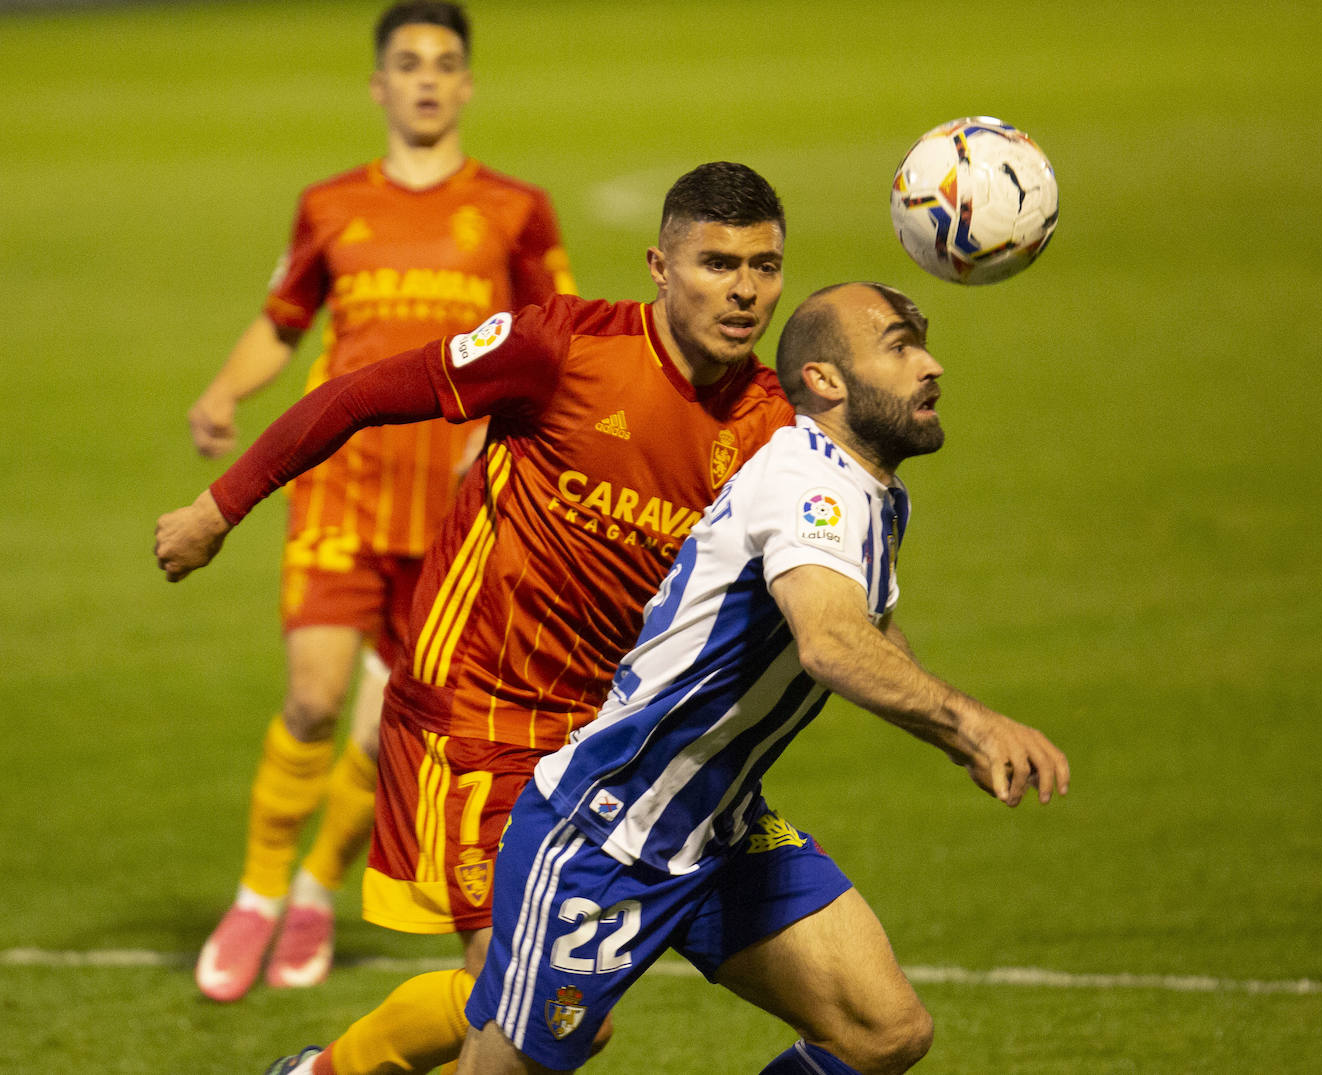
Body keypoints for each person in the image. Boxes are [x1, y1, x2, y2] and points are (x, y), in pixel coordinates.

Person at [156, 161, 796, 1072]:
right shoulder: (562, 348)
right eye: (717, 263)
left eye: (763, 267)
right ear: (660, 264)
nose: (743, 290)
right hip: (473, 719)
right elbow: (361, 393)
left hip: (599, 743)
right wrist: (219, 509)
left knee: (546, 1017)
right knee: (540, 1009)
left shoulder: (768, 425)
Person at [448, 281, 1072, 1074]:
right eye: (900, 345)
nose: (931, 365)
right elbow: (832, 643)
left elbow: (868, 623)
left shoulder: (871, 493)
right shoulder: (808, 485)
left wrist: (953, 742)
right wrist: (972, 721)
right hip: (609, 834)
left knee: (883, 1031)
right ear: (826, 380)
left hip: (722, 829)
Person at [188, 0, 577, 1004]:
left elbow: (551, 343)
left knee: (379, 733)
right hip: (342, 493)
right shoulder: (327, 206)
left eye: (445, 63)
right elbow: (285, 321)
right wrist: (228, 392)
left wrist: (504, 441)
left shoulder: (515, 210)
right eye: (407, 63)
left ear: (467, 84)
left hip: (456, 512)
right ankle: (256, 895)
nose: (426, 79)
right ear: (378, 84)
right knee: (314, 699)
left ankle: (317, 886)